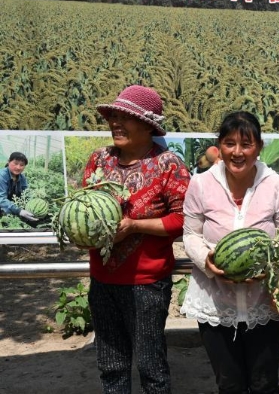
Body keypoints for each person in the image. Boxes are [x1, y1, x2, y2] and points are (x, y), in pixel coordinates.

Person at [180, 111, 279, 394]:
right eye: (230, 143)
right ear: (219, 145)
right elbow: (191, 234)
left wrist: (269, 267)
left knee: (264, 382)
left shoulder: (278, 185)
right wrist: (207, 262)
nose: (237, 152)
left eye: (246, 144)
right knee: (228, 383)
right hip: (216, 301)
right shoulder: (201, 184)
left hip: (266, 301)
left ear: (259, 146)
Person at [84, 85, 191, 393]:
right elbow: (85, 210)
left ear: (147, 125)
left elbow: (182, 220)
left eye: (125, 117)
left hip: (147, 285)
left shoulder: (169, 165)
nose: (116, 123)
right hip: (103, 280)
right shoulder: (98, 161)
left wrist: (134, 226)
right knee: (111, 366)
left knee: (151, 367)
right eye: (113, 116)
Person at [0, 151, 39, 224]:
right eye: (15, 163)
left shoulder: (22, 177)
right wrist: (19, 211)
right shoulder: (1, 176)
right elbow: (1, 199)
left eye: (22, 165)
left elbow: (26, 192)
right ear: (8, 162)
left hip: (10, 204)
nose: (18, 167)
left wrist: (34, 203)